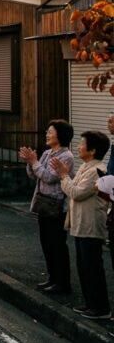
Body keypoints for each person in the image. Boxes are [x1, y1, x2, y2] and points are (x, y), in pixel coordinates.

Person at [53, 131, 110, 319]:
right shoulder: (87, 166)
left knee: (92, 267)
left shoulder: (96, 170)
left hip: (90, 225)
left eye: (82, 143)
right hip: (82, 224)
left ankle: (100, 307)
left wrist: (63, 175)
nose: (78, 146)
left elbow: (76, 193)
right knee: (84, 266)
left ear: (92, 150)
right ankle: (90, 304)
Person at [19, 119, 75, 295]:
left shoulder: (66, 156)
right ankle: (52, 278)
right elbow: (35, 175)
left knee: (57, 244)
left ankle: (62, 282)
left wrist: (34, 162)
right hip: (44, 203)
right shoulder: (47, 153)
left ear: (60, 135)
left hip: (56, 205)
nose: (47, 134)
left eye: (50, 131)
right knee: (46, 243)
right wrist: (30, 162)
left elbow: (49, 177)